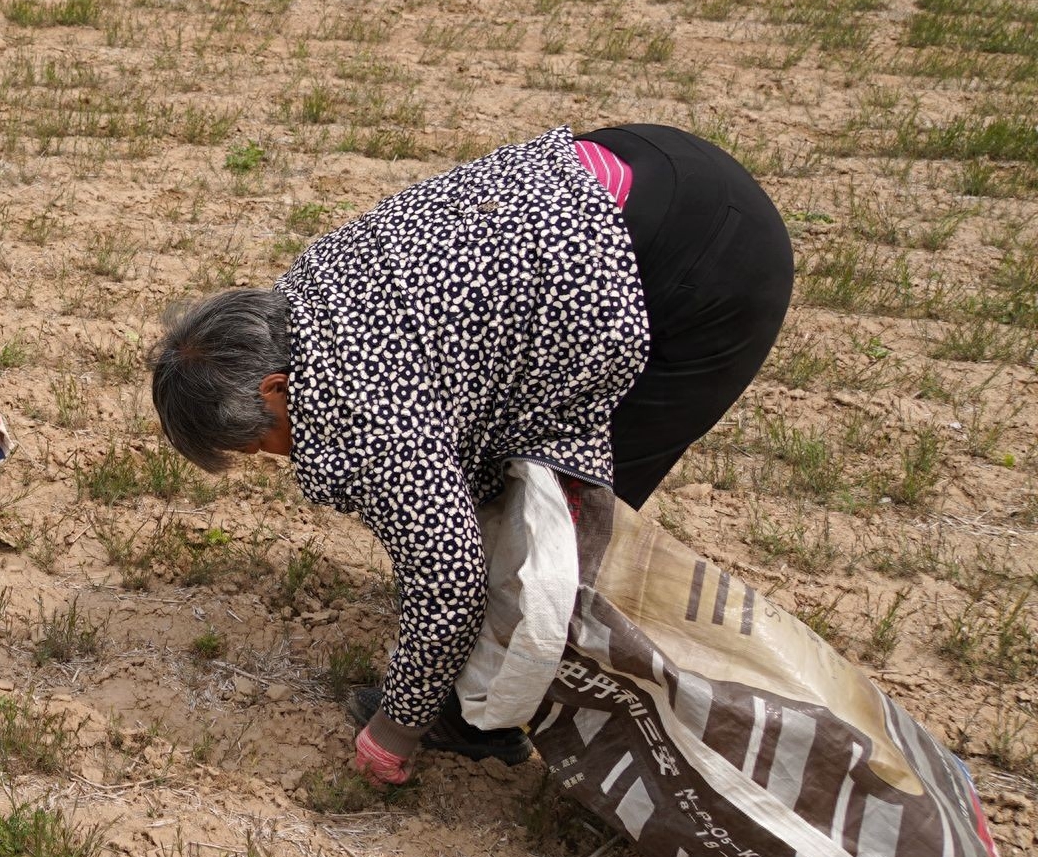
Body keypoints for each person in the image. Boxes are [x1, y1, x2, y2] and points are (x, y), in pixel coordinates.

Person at [149, 124, 792, 786]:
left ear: (276, 388)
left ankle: (477, 721)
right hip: (644, 165)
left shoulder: (366, 416)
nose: (271, 455)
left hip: (713, 268)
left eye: (260, 440)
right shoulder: (310, 289)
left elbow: (451, 585)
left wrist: (396, 729)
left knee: (559, 534)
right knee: (504, 508)